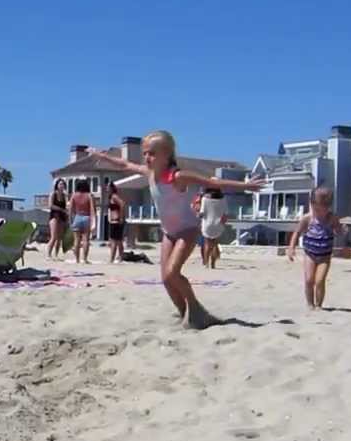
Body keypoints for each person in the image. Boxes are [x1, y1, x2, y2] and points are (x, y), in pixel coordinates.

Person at [94, 130, 261, 329]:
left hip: (187, 231)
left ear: (167, 155)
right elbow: (125, 164)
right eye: (145, 153)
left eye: (152, 153)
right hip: (169, 233)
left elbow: (211, 182)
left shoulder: (177, 177)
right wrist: (102, 156)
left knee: (173, 273)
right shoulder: (149, 173)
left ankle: (197, 309)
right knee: (165, 278)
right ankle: (186, 313)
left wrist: (245, 185)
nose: (147, 157)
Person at [287, 186, 344, 310]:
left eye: (322, 209)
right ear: (312, 205)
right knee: (309, 280)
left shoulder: (332, 218)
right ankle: (309, 303)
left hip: (325, 255)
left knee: (319, 281)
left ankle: (319, 305)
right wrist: (291, 248)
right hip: (310, 254)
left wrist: (341, 230)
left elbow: (339, 231)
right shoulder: (308, 218)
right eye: (316, 208)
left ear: (328, 207)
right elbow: (296, 232)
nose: (319, 212)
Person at [199, 188, 227, 268]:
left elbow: (202, 212)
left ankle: (206, 263)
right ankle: (213, 264)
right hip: (218, 223)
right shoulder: (223, 198)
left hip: (207, 223)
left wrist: (198, 215)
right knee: (215, 244)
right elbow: (225, 213)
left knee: (207, 244)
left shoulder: (205, 198)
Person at [68, 179, 94, 264]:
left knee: (77, 240)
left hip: (77, 217)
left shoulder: (74, 196)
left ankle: (77, 259)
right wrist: (93, 221)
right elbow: (92, 209)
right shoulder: (89, 196)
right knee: (86, 240)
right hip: (86, 217)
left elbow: (70, 210)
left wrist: (70, 221)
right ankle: (85, 259)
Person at [105, 181, 126, 264]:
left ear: (111, 188)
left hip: (116, 221)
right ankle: (120, 258)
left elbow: (122, 204)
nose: (106, 188)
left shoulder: (114, 196)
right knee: (119, 241)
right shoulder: (111, 197)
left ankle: (112, 259)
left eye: (108, 187)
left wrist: (121, 217)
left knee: (114, 241)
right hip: (115, 221)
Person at [47, 179, 68, 261]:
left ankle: (56, 255)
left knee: (59, 238)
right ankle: (48, 254)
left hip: (62, 216)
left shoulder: (64, 195)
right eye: (60, 184)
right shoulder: (53, 194)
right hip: (54, 216)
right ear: (57, 185)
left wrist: (66, 214)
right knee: (53, 236)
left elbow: (66, 206)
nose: (62, 186)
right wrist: (61, 209)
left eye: (63, 184)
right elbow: (50, 205)